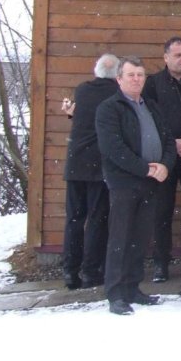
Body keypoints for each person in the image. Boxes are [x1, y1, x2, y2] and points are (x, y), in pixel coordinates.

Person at [95, 56, 176, 315]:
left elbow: (167, 139)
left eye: (140, 75)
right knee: (121, 237)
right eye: (131, 75)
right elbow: (113, 148)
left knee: (140, 238)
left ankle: (132, 287)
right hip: (125, 183)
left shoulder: (151, 106)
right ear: (119, 78)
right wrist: (145, 168)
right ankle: (116, 293)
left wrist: (165, 164)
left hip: (151, 182)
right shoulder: (109, 108)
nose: (136, 79)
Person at [143, 37, 181, 283]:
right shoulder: (153, 84)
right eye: (177, 55)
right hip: (164, 156)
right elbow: (148, 119)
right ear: (165, 57)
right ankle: (160, 263)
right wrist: (171, 142)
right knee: (162, 211)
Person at [61, 53, 119, 289]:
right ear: (117, 74)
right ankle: (91, 270)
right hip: (98, 164)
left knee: (74, 219)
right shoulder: (116, 95)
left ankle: (69, 270)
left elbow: (81, 116)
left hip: (75, 163)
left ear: (96, 71)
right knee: (97, 219)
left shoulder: (82, 90)